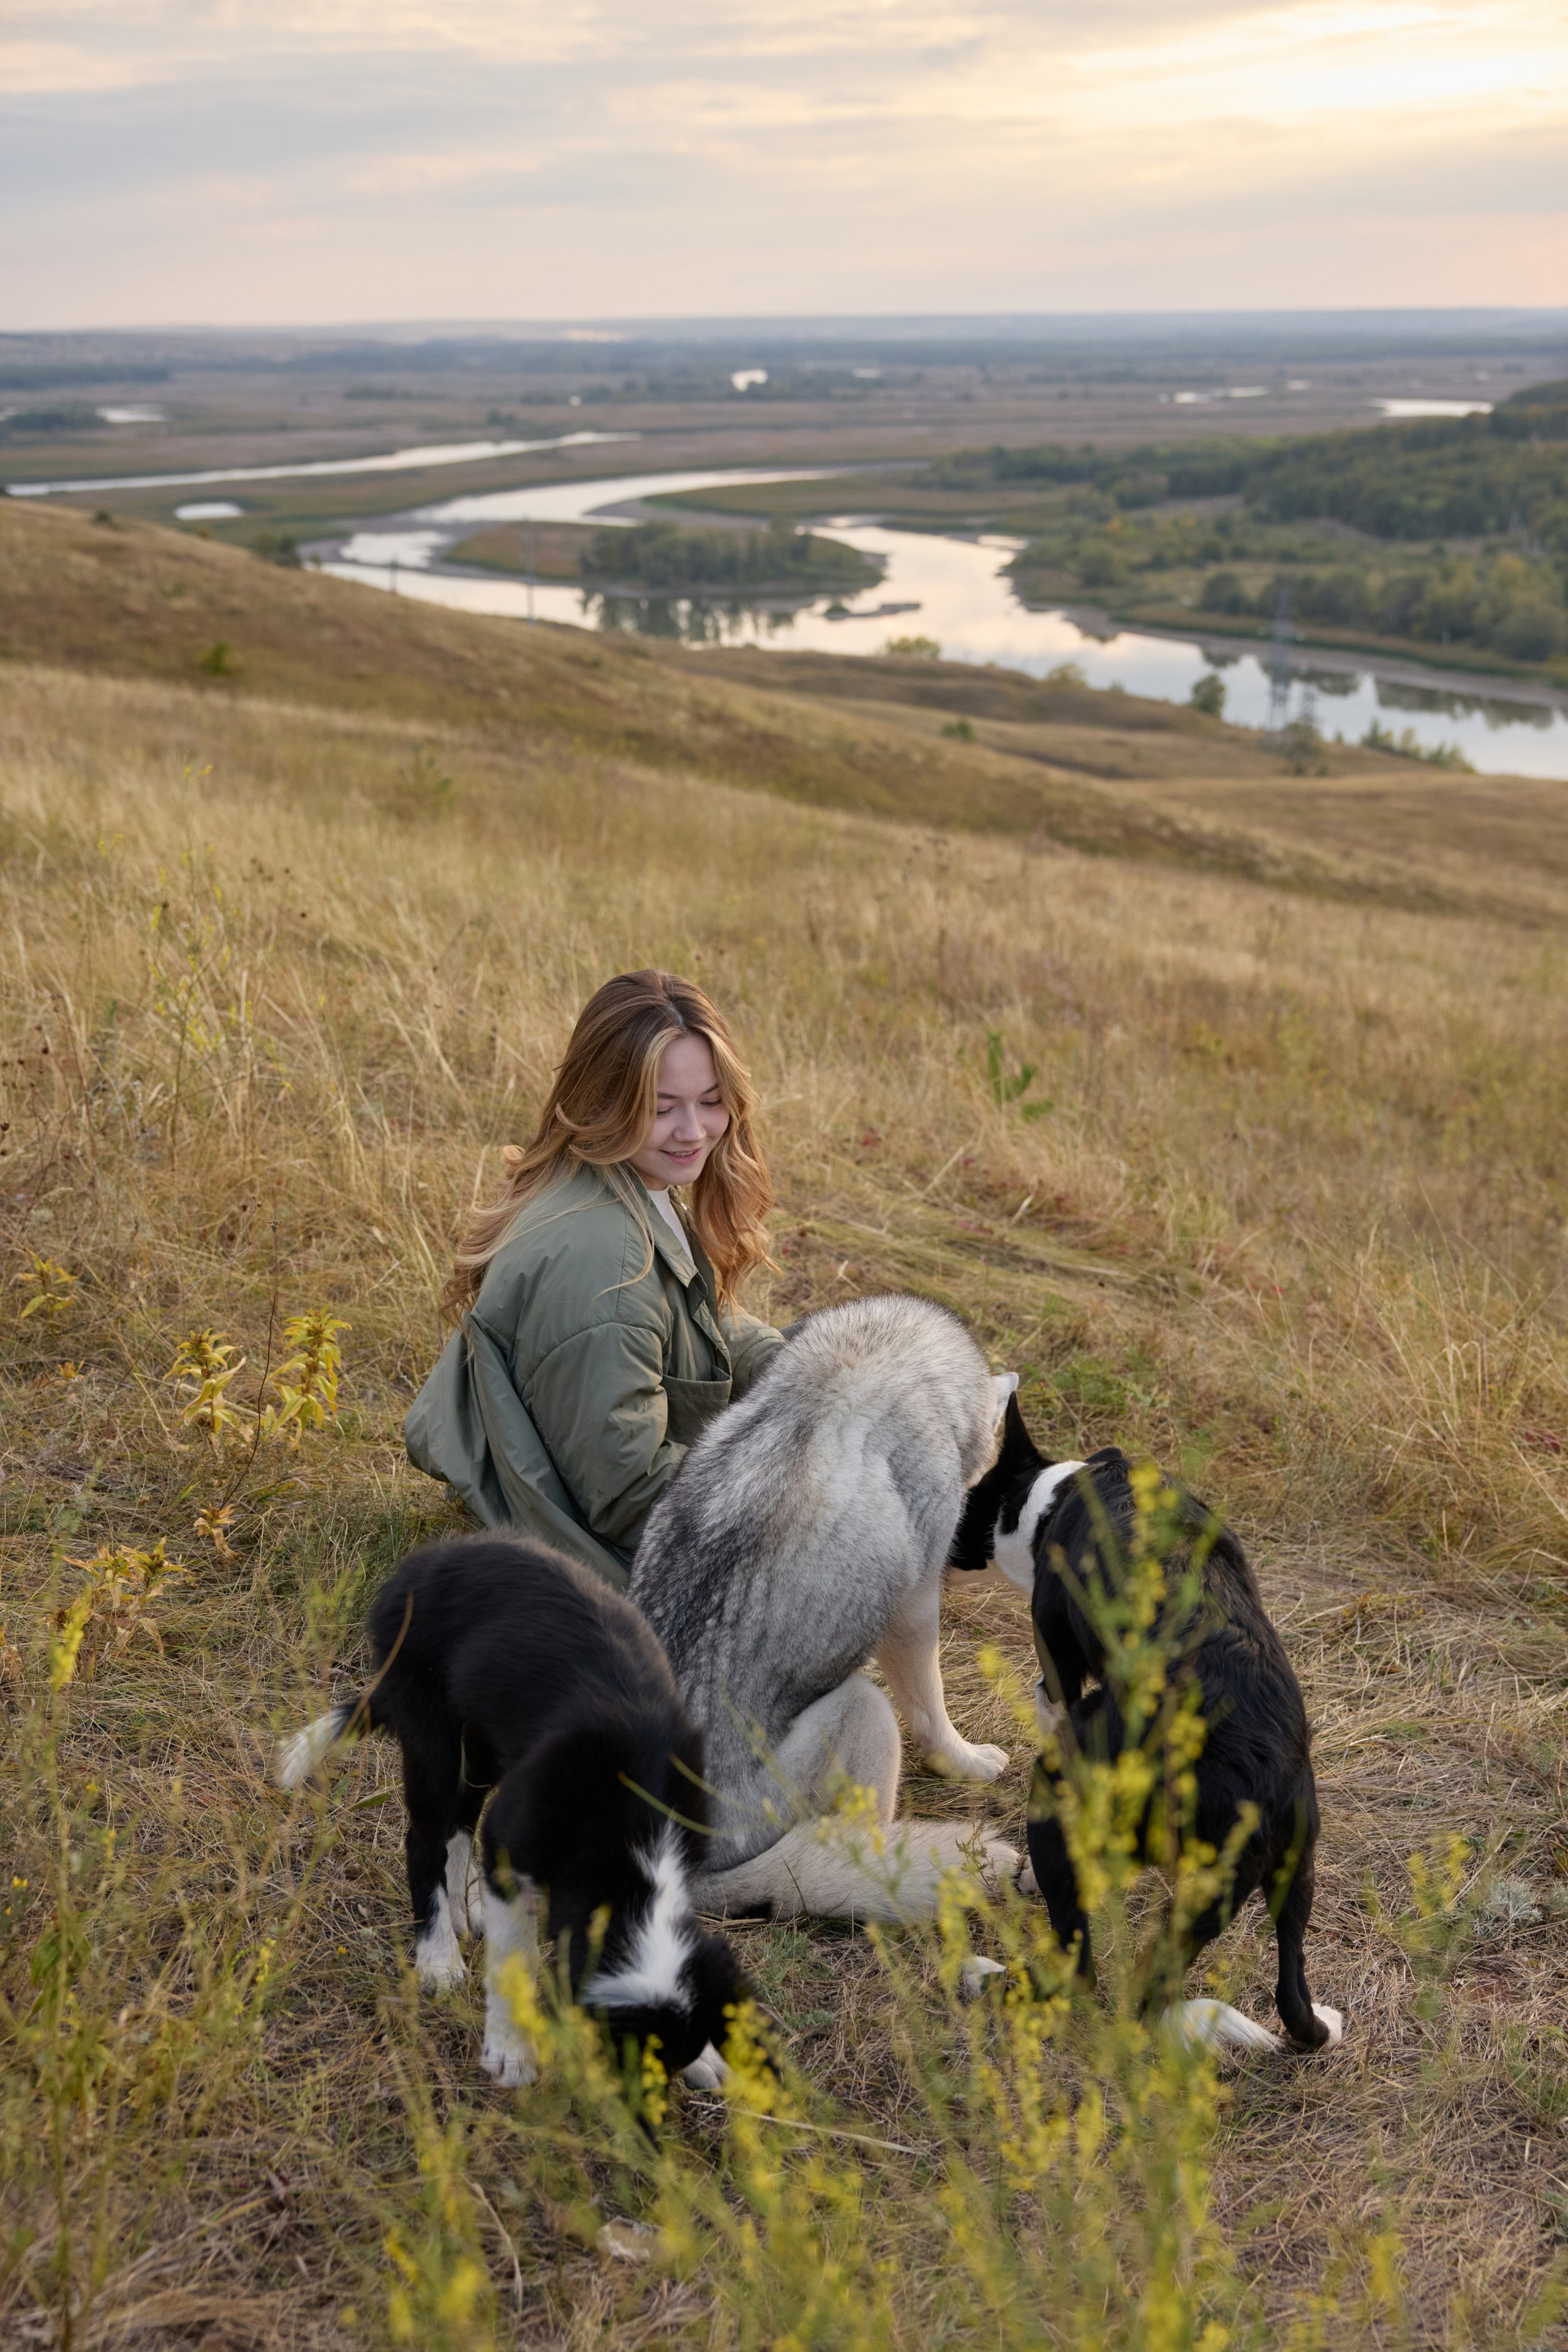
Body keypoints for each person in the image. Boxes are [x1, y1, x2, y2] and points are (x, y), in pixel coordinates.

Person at [405, 969, 783, 1589]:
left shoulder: (625, 1182)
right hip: (615, 1579)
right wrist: (797, 1487)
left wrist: (802, 1369)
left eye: (710, 1101)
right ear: (603, 1101)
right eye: (661, 1109)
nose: (694, 1132)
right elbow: (631, 1498)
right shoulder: (608, 1270)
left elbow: (697, 1323)